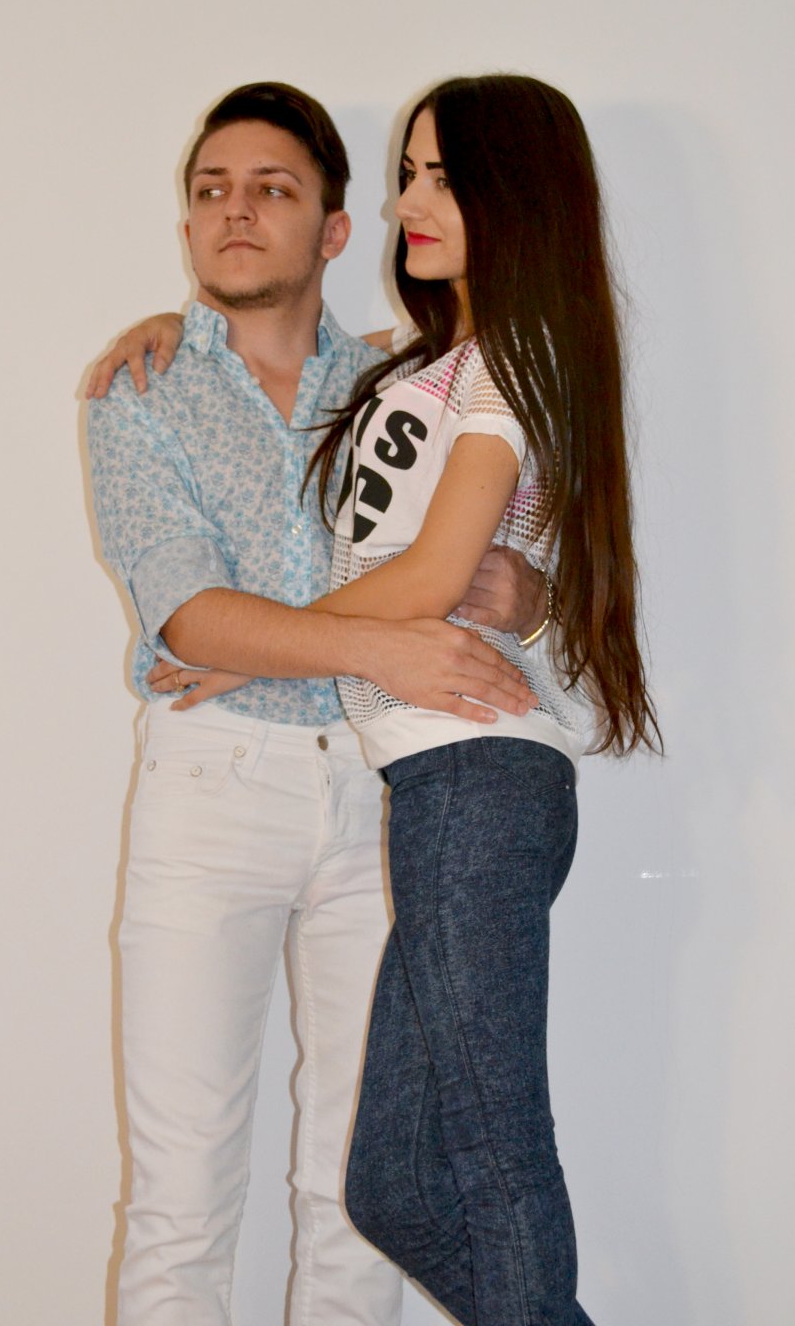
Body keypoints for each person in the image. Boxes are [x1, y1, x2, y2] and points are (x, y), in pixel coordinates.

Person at [150, 76, 661, 1326]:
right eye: (408, 175)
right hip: (433, 789)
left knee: (496, 1160)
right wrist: (171, 331)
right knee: (391, 1186)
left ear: (514, 196)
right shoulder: (434, 362)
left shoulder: (516, 357)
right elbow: (291, 353)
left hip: (480, 778)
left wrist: (261, 650)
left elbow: (432, 577)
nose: (406, 203)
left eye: (440, 176)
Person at [86, 82, 544, 1326]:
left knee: (356, 1199)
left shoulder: (409, 380)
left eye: (271, 190)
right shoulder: (140, 390)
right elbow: (192, 619)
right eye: (211, 191)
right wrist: (375, 646)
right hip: (212, 790)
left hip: (380, 794)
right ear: (188, 223)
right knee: (180, 1200)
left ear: (335, 229)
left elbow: (500, 552)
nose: (235, 212)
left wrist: (529, 592)